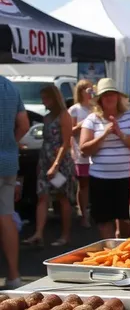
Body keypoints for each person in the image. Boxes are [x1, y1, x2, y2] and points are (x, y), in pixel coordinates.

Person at [80, 79, 130, 239]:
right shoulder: (92, 119)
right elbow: (84, 150)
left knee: (126, 220)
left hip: (127, 177)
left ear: (118, 97)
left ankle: (124, 252)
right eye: (105, 95)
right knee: (104, 220)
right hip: (101, 178)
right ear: (99, 99)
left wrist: (120, 134)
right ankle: (111, 254)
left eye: (112, 94)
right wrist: (104, 134)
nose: (109, 98)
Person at [23, 85, 77, 247]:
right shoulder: (46, 118)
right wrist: (42, 163)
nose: (43, 102)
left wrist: (55, 165)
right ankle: (38, 233)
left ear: (54, 98)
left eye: (46, 98)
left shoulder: (64, 116)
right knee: (42, 196)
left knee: (62, 198)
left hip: (60, 164)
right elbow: (46, 142)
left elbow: (66, 142)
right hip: (46, 161)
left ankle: (65, 235)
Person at [0, 75, 29, 289]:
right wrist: (11, 143)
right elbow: (24, 125)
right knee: (6, 216)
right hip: (8, 162)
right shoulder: (9, 86)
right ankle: (13, 276)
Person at [68, 80, 93, 228]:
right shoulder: (75, 110)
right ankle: (83, 215)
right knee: (83, 185)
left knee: (94, 184)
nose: (90, 91)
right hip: (80, 153)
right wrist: (84, 122)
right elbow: (70, 131)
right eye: (87, 89)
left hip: (95, 152)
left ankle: (92, 213)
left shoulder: (95, 108)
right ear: (81, 91)